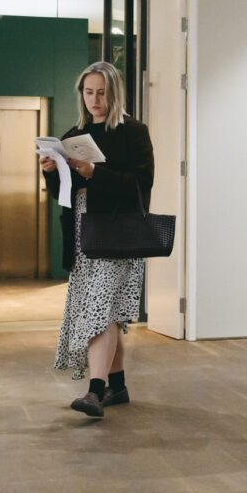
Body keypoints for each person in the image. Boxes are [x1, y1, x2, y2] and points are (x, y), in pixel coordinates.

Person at [46, 62, 156, 419]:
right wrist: (52, 172)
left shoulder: (134, 132)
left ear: (114, 93)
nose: (94, 100)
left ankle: (95, 391)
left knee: (102, 310)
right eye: (88, 92)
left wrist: (96, 173)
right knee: (106, 311)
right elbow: (64, 194)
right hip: (84, 233)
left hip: (119, 234)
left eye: (101, 93)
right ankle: (117, 386)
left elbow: (142, 183)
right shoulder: (75, 134)